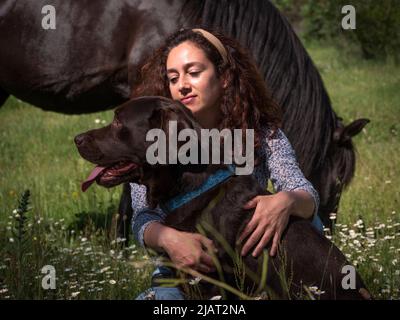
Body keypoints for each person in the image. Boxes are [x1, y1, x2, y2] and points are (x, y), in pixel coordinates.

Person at [130, 28, 324, 300]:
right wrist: (168, 239)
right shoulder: (153, 140)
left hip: (250, 267)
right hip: (188, 270)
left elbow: (302, 189)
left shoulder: (261, 133)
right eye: (173, 78)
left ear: (223, 78)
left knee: (307, 216)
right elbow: (143, 215)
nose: (182, 85)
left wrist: (287, 201)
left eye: (193, 72)